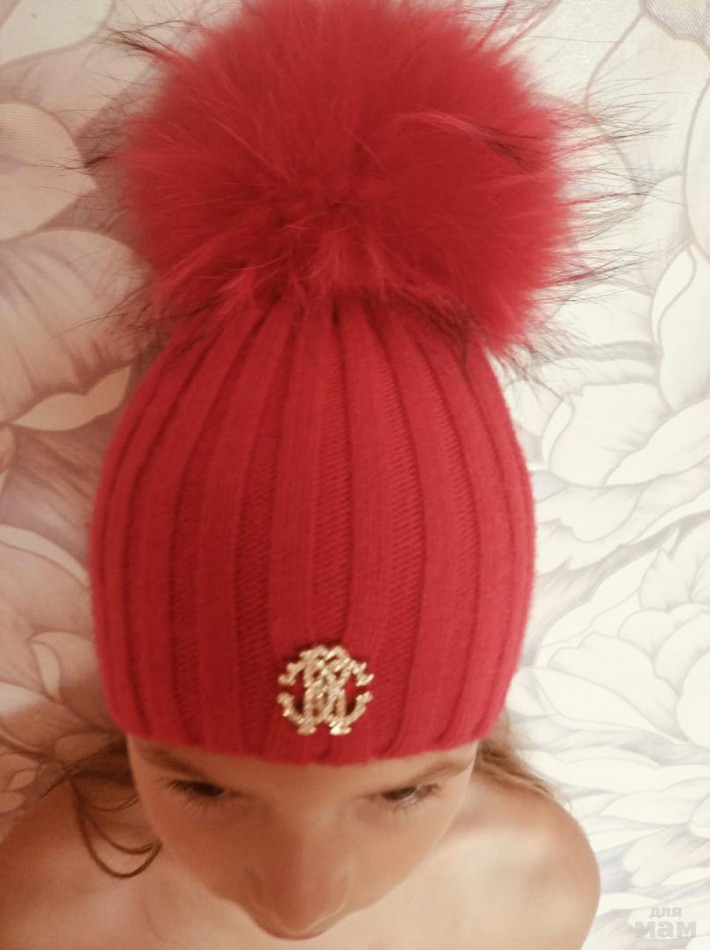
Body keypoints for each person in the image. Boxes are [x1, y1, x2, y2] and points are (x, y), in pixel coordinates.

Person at [0, 0, 627, 944]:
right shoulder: (48, 907)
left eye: (404, 792)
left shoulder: (540, 892)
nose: (303, 901)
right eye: (202, 787)